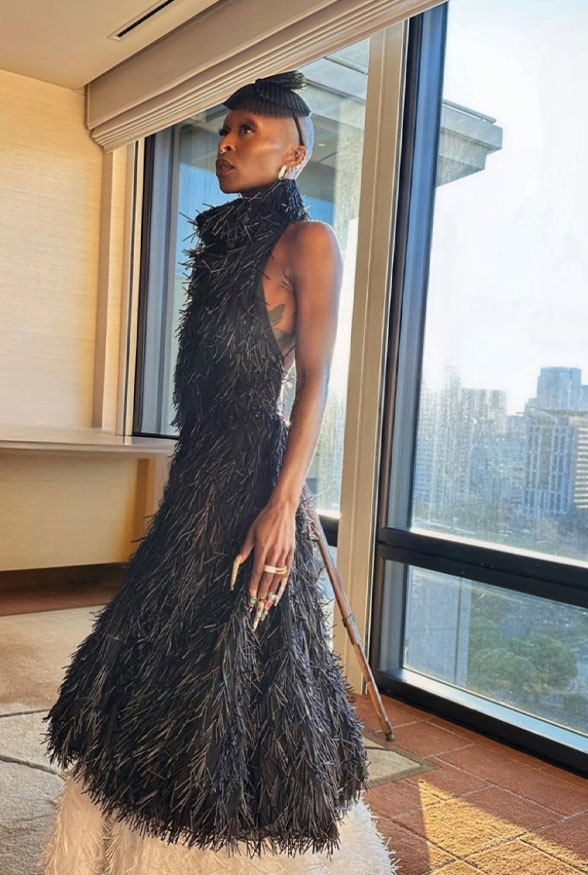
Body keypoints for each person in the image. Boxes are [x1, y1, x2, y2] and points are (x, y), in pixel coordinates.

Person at [38, 71, 396, 875]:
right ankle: (133, 832)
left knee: (234, 651)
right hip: (200, 473)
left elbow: (314, 381)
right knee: (155, 636)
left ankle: (224, 838)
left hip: (250, 481)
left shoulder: (307, 241)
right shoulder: (225, 244)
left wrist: (284, 502)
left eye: (246, 132)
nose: (224, 144)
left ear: (295, 154)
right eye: (225, 129)